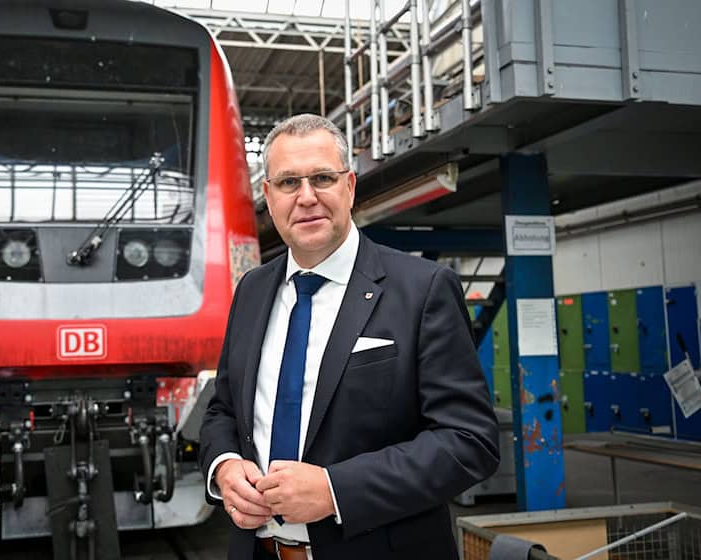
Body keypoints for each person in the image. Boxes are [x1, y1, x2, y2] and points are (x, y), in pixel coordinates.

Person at [199, 114, 500, 559]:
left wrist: (336, 490)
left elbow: (469, 440)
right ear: (268, 195)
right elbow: (224, 408)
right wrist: (223, 467)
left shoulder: (421, 289)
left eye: (322, 177)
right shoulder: (252, 289)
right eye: (287, 183)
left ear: (350, 186)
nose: (306, 198)